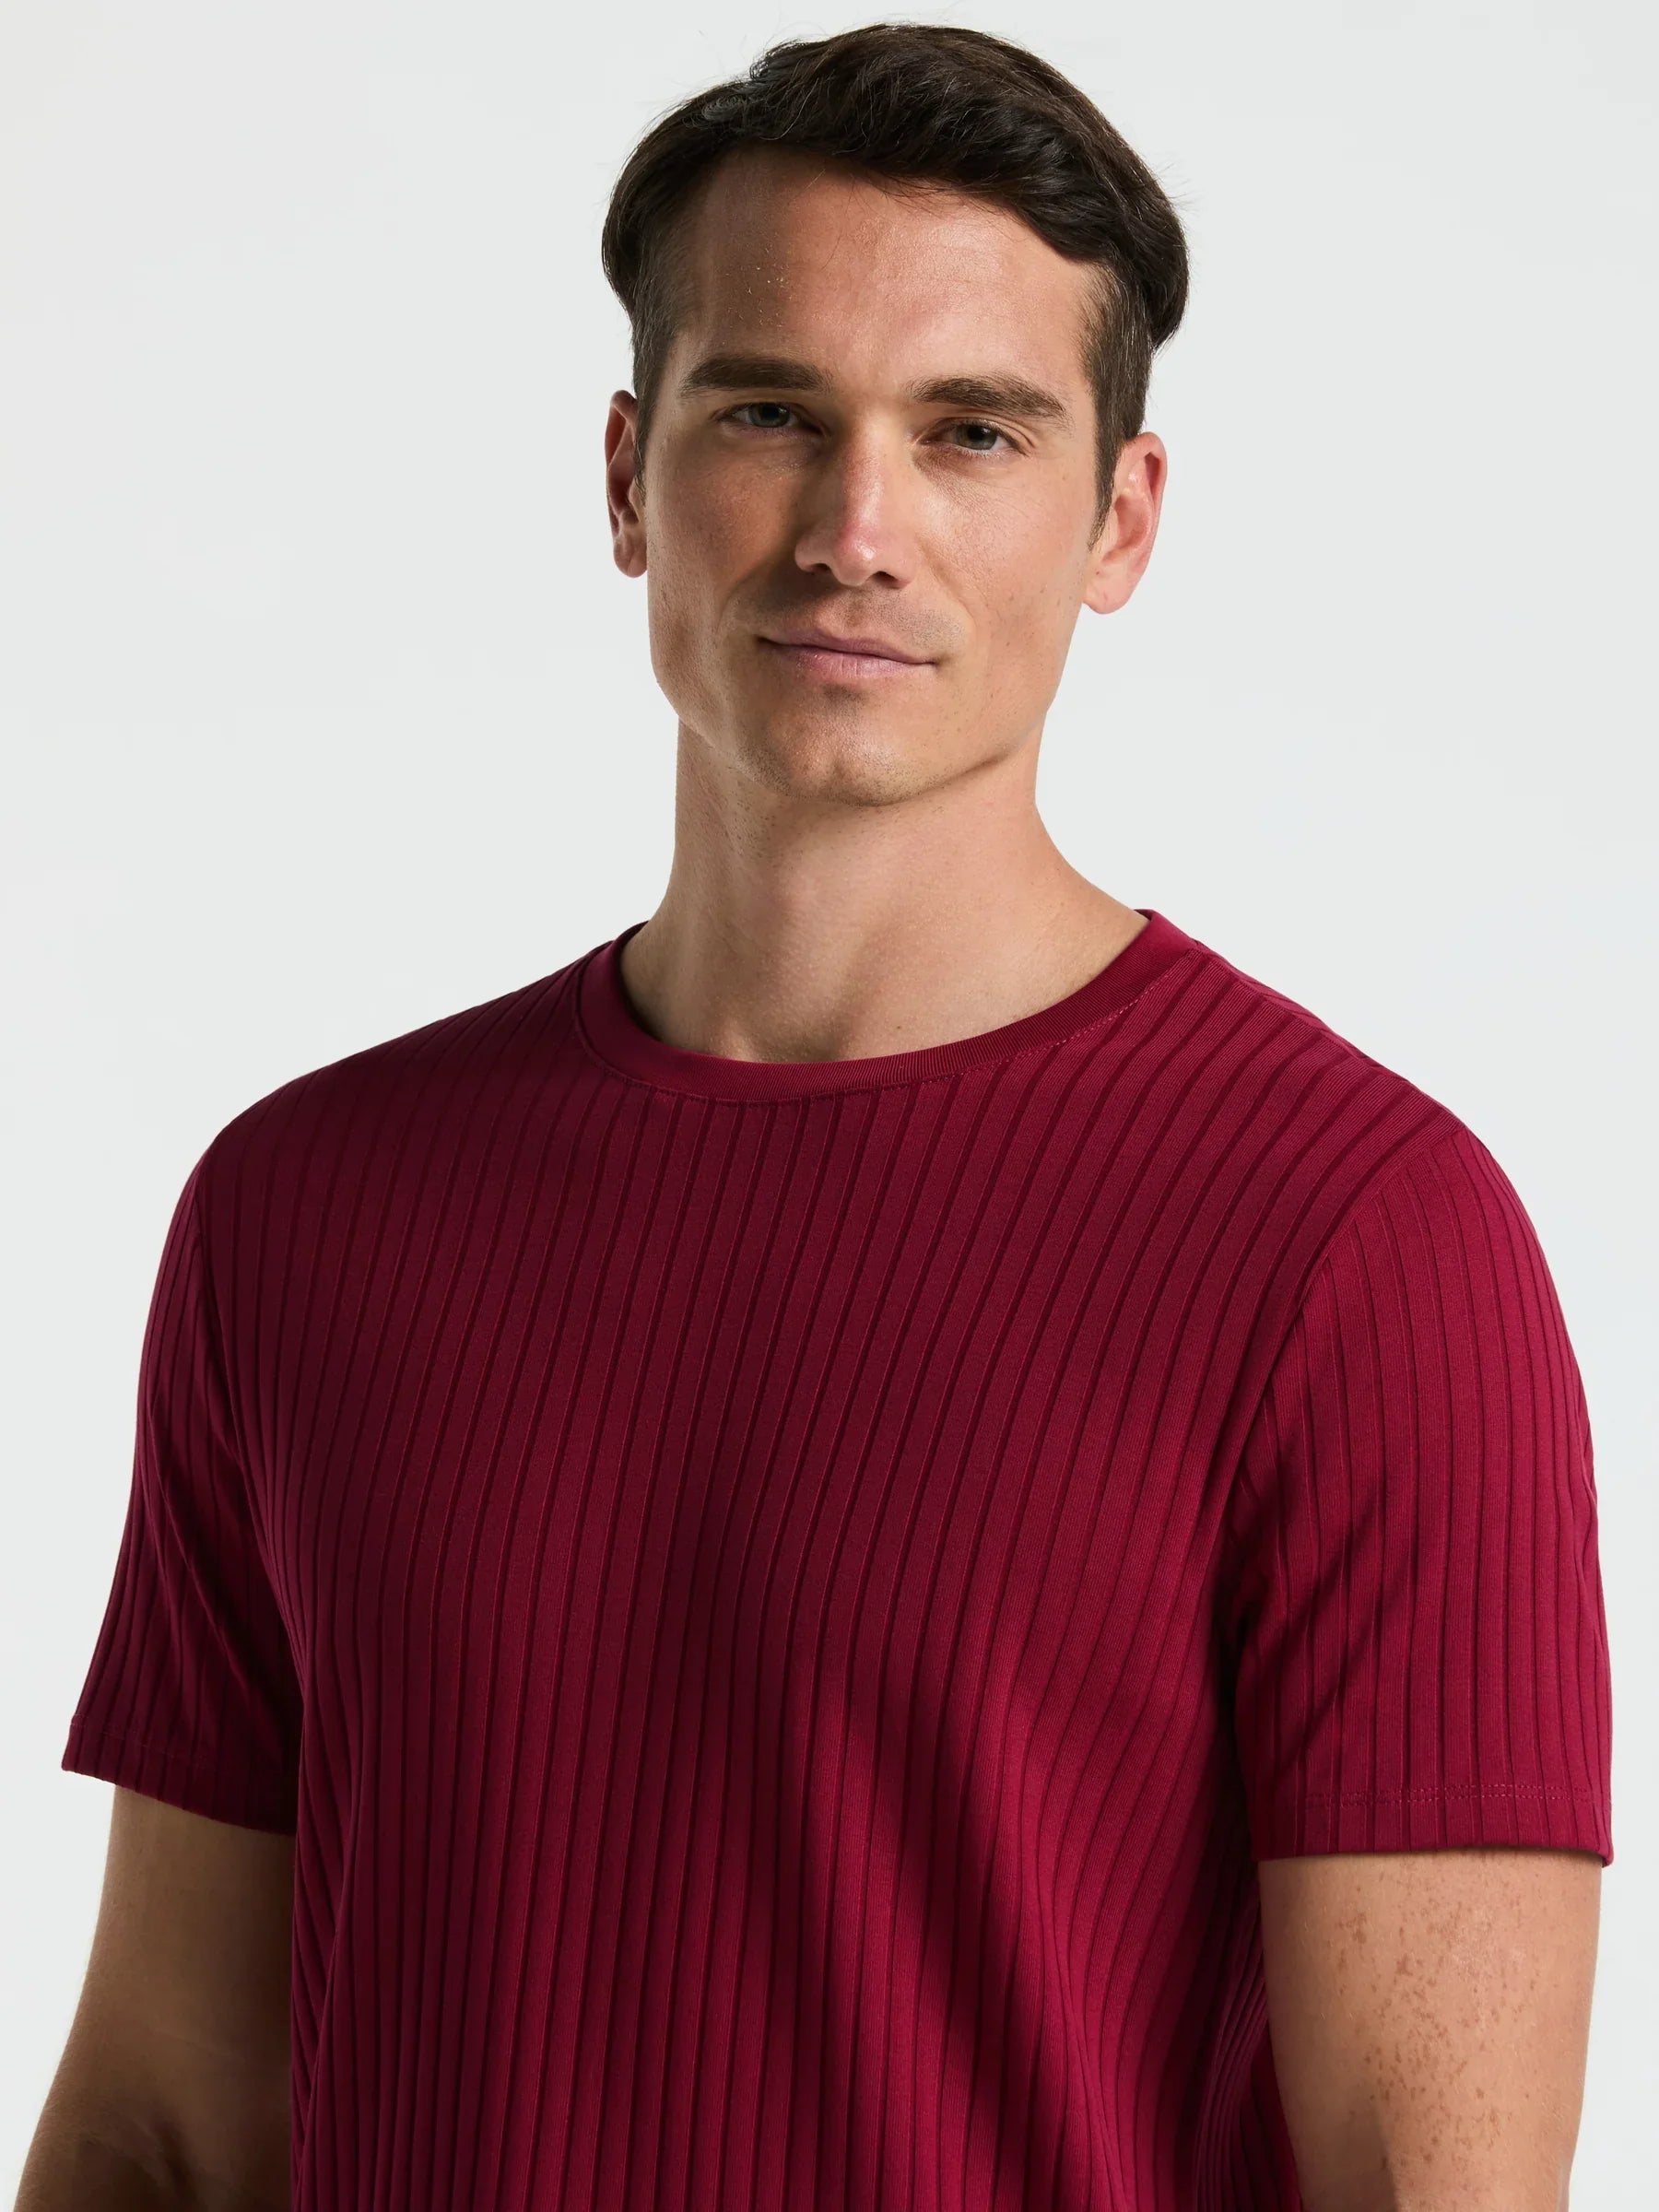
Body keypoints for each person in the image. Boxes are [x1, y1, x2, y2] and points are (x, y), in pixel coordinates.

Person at [24, 22, 1611, 2212]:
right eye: (770, 413)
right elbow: (162, 2130)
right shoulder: (302, 1214)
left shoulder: (1362, 1247)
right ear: (626, 477)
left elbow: (1430, 2186)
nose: (859, 531)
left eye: (973, 432)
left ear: (1120, 518)